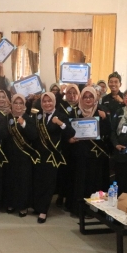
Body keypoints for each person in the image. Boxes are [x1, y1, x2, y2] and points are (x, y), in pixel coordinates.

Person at [33, 92, 75, 223]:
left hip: (52, 156)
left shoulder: (61, 116)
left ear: (54, 102)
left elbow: (71, 132)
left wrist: (60, 123)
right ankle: (38, 206)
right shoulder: (39, 116)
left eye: (49, 101)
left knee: (49, 183)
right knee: (39, 182)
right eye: (44, 101)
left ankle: (44, 211)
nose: (47, 104)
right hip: (40, 154)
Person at [68, 87, 111, 215]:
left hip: (95, 154)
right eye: (85, 97)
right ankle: (78, 209)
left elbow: (108, 131)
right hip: (80, 153)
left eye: (90, 97)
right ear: (81, 98)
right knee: (80, 181)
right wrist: (70, 139)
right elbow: (68, 131)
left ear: (95, 98)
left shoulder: (101, 112)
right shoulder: (75, 112)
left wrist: (104, 119)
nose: (88, 99)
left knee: (93, 182)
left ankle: (92, 210)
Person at [5, 94, 39, 217]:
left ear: (24, 105)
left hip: (24, 156)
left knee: (23, 182)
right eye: (16, 103)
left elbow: (33, 135)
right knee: (10, 180)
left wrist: (23, 124)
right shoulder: (7, 117)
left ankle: (23, 206)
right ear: (11, 104)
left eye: (20, 103)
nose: (18, 106)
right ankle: (11, 203)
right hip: (10, 155)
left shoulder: (28, 118)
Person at [55, 83, 79, 211]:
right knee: (64, 171)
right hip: (65, 143)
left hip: (79, 144)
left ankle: (71, 197)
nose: (72, 95)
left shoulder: (83, 107)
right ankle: (61, 195)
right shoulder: (61, 107)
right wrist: (60, 92)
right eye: (69, 93)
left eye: (74, 93)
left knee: (74, 172)